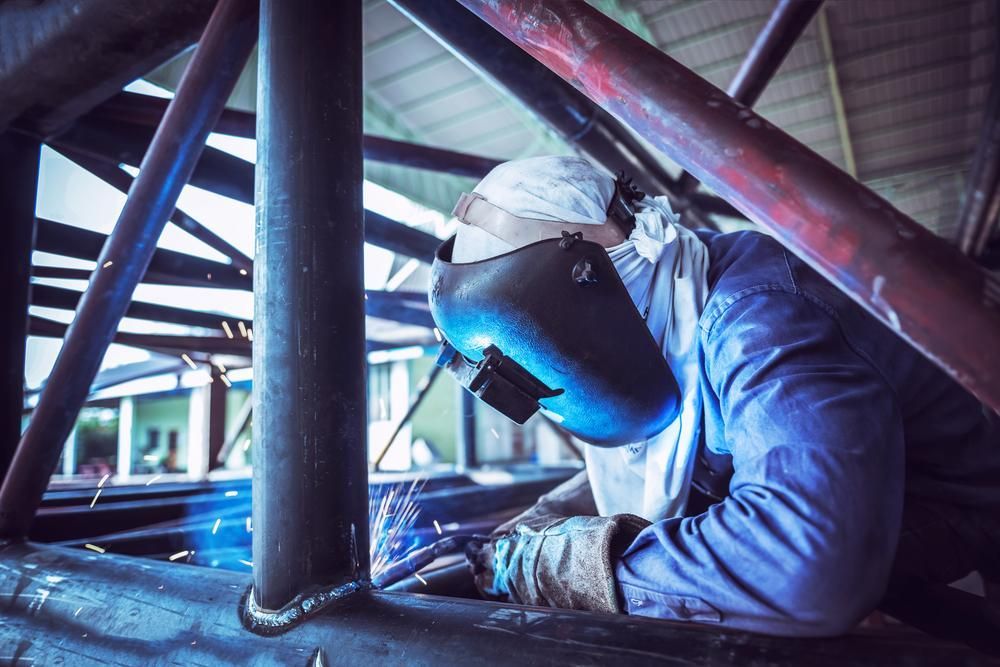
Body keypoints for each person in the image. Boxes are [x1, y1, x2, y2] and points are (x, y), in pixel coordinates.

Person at [428, 155, 1000, 636]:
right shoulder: (664, 313)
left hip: (949, 510)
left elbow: (803, 564)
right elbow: (670, 446)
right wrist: (546, 522)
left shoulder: (762, 316)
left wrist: (575, 570)